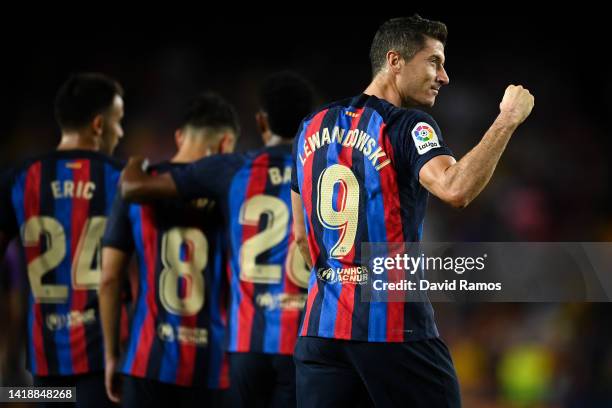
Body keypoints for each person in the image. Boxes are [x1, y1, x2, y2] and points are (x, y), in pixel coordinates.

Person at [289, 15, 534, 407]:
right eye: (434, 61)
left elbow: (301, 237)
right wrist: (507, 120)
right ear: (395, 61)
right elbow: (455, 189)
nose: (444, 76)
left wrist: (342, 284)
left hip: (320, 336)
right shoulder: (406, 125)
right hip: (393, 332)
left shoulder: (310, 127)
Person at [119, 71, 316, 407]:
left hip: (245, 343)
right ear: (310, 124)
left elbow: (134, 188)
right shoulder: (323, 172)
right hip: (303, 340)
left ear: (261, 122)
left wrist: (136, 162)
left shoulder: (231, 169)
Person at [100, 92, 238, 407]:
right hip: (214, 368)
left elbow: (109, 278)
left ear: (179, 137)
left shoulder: (136, 183)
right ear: (225, 144)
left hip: (146, 362)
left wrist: (111, 356)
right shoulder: (233, 188)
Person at [0, 73, 125, 407]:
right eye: (119, 121)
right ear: (99, 124)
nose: (122, 132)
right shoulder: (122, 178)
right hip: (102, 361)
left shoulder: (19, 179)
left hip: (43, 362)